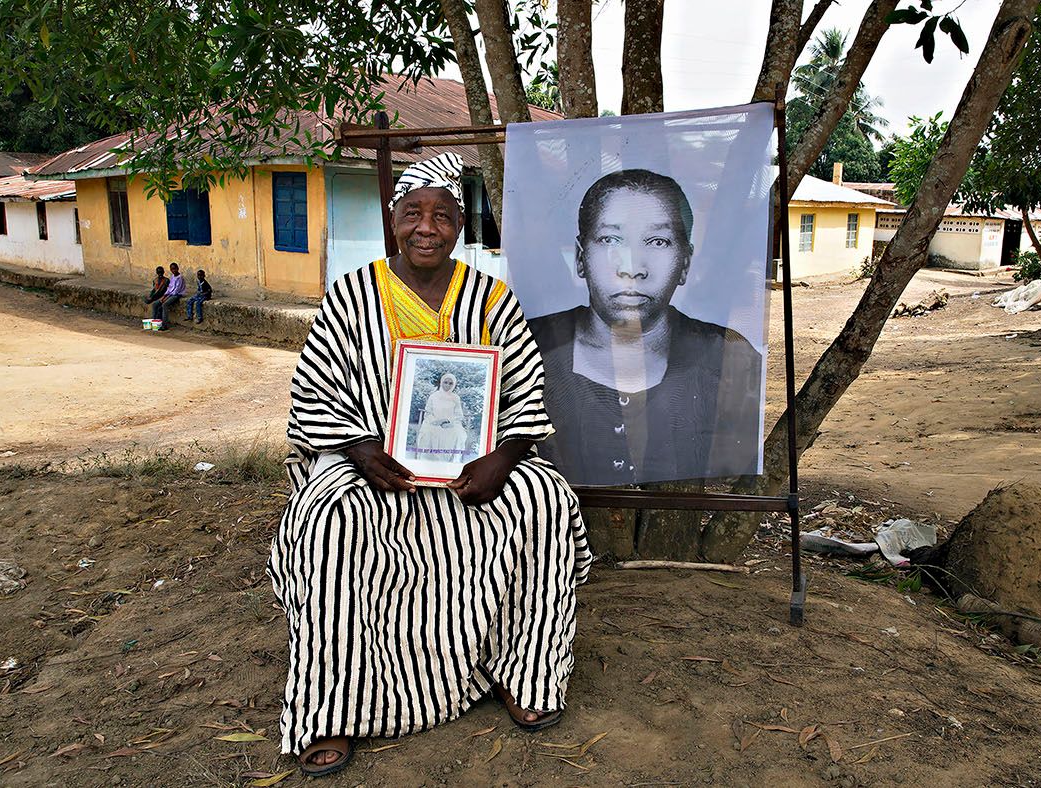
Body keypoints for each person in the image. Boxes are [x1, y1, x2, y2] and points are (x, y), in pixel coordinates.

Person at [268, 152, 592, 777]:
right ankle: (329, 708)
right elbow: (315, 391)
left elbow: (525, 390)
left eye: (442, 216)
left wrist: (504, 455)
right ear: (393, 221)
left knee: (545, 498)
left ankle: (521, 673)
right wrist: (360, 449)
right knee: (327, 519)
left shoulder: (492, 299)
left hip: (472, 467)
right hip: (371, 464)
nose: (427, 227)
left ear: (461, 226)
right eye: (413, 213)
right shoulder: (351, 296)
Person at [527, 169, 763, 486]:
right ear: (581, 257)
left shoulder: (728, 359)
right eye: (611, 239)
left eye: (657, 241)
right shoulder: (529, 346)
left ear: (685, 262)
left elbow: (735, 459)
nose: (632, 269)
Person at [415, 372, 469, 460]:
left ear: (454, 384)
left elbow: (458, 414)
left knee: (457, 434)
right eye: (445, 382)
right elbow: (428, 412)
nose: (448, 385)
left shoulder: (456, 398)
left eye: (450, 383)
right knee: (428, 433)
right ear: (441, 382)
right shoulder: (433, 396)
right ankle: (428, 460)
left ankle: (450, 461)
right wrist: (436, 421)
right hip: (433, 422)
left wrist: (449, 422)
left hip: (450, 423)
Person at [151, 262, 185, 330]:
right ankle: (155, 323)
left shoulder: (180, 278)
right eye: (172, 269)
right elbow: (169, 288)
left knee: (164, 304)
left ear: (177, 269)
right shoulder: (172, 277)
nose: (173, 270)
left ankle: (164, 325)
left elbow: (176, 291)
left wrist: (166, 297)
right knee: (155, 304)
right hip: (169, 294)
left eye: (175, 269)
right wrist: (164, 296)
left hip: (177, 295)